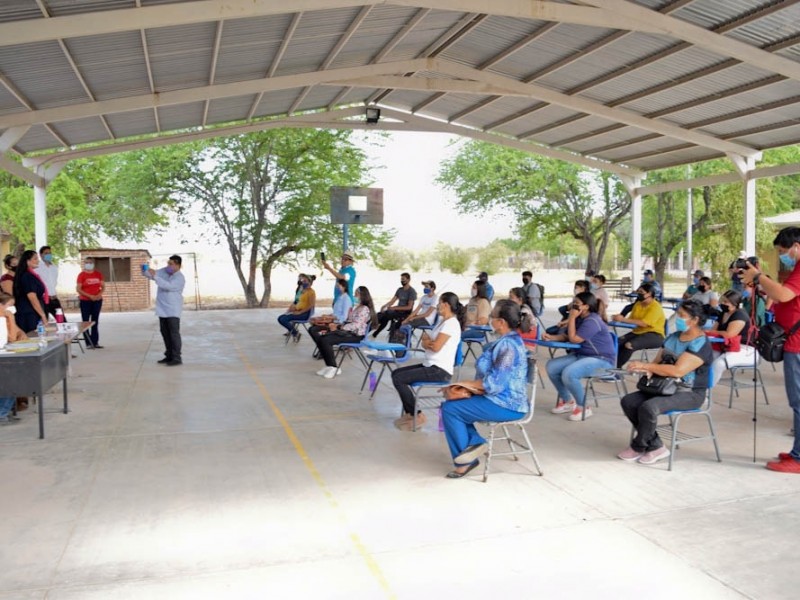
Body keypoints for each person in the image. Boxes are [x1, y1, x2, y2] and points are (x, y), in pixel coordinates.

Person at [440, 300, 529, 478]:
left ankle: (466, 459)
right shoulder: (507, 341)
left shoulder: (508, 346)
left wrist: (465, 384)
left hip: (506, 404)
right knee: (455, 404)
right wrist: (467, 387)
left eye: (492, 316)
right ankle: (474, 444)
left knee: (450, 409)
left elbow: (494, 384)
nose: (489, 319)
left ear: (501, 322)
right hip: (498, 399)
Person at [617, 300, 713, 465]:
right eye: (678, 315)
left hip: (689, 393)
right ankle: (655, 446)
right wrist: (645, 369)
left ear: (695, 320)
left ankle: (639, 446)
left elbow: (678, 371)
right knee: (629, 401)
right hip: (664, 386)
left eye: (682, 316)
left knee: (649, 407)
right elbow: (657, 362)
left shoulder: (700, 343)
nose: (678, 319)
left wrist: (646, 365)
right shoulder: (673, 337)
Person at [740, 227, 800, 473]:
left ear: (797, 245)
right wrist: (762, 284)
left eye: (784, 251)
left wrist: (759, 277)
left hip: (797, 345)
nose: (784, 256)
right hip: (794, 341)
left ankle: (798, 459)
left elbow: (785, 295)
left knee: (798, 400)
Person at [391, 292, 465, 430]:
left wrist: (428, 343)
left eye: (439, 304)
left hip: (439, 370)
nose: (437, 306)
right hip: (430, 364)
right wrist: (428, 342)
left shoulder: (451, 324)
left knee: (400, 379)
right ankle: (410, 412)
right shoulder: (442, 322)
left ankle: (417, 415)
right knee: (396, 373)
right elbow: (426, 340)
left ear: (446, 305)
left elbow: (435, 346)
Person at [546, 292, 616, 421]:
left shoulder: (592, 320)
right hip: (582, 355)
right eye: (573, 303)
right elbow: (567, 336)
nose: (573, 306)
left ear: (586, 306)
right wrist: (551, 337)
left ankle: (584, 407)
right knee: (552, 366)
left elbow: (574, 339)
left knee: (569, 373)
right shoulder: (580, 318)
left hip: (602, 360)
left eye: (576, 304)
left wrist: (571, 318)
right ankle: (568, 401)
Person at [310, 286, 377, 379]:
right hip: (348, 332)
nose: (354, 296)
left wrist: (338, 327)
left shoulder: (364, 309)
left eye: (356, 294)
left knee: (326, 340)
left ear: (363, 295)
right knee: (322, 338)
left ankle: (334, 367)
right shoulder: (357, 307)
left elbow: (355, 325)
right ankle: (329, 365)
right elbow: (348, 321)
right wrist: (336, 325)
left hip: (356, 336)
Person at [707, 290, 757, 386]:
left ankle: (706, 392)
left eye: (726, 302)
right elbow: (713, 331)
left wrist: (716, 332)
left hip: (745, 349)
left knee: (719, 364)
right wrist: (718, 333)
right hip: (725, 345)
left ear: (735, 304)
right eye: (722, 301)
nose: (722, 303)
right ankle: (697, 387)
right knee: (705, 358)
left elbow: (729, 334)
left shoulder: (740, 315)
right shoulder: (723, 313)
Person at [144, 254, 186, 366]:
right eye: (168, 263)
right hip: (163, 309)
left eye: (171, 264)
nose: (168, 265)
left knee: (173, 334)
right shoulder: (165, 271)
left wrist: (156, 277)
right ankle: (169, 355)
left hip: (173, 310)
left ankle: (177, 357)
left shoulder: (179, 278)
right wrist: (145, 269)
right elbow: (152, 275)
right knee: (165, 333)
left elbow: (168, 286)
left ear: (178, 265)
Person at [612, 282, 666, 368]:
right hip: (638, 332)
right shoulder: (638, 304)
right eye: (638, 292)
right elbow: (632, 319)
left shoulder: (655, 307)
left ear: (649, 293)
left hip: (655, 335)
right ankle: (610, 366)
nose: (639, 294)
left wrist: (623, 319)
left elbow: (644, 323)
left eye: (641, 292)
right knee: (615, 343)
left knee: (629, 345)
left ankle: (616, 370)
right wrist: (618, 317)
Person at [12, 250, 49, 334]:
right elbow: (32, 297)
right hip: (29, 314)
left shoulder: (30, 275)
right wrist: (42, 315)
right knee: (33, 339)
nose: (38, 260)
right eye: (35, 259)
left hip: (31, 312)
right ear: (27, 261)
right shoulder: (26, 276)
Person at [372, 273, 417, 337]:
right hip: (397, 310)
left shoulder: (411, 291)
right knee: (381, 314)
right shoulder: (400, 290)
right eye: (401, 279)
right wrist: (385, 306)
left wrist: (395, 308)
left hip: (405, 312)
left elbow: (409, 307)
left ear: (409, 280)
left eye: (404, 279)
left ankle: (375, 332)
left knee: (387, 315)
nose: (402, 281)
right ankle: (374, 330)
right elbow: (393, 301)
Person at [0, 293, 21, 425]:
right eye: (10, 306)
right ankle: (2, 413)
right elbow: (12, 337)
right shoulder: (2, 319)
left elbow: (16, 334)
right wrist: (11, 318)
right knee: (12, 382)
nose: (12, 309)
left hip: (5, 353)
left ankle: (5, 411)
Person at [76, 257, 105, 348]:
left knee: (95, 321)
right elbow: (78, 289)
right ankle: (88, 343)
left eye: (90, 262)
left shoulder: (98, 274)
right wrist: (90, 296)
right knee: (86, 322)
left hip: (97, 300)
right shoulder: (81, 275)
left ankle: (95, 342)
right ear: (84, 264)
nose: (89, 264)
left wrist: (98, 295)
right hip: (85, 301)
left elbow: (103, 287)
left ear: (93, 263)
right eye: (87, 262)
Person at [277, 273, 316, 342]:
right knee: (280, 318)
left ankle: (295, 333)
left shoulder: (311, 292)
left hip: (304, 314)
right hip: (298, 311)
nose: (303, 282)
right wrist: (291, 309)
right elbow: (297, 301)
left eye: (305, 281)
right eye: (303, 281)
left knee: (283, 319)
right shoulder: (303, 291)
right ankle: (295, 333)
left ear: (310, 283)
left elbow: (311, 305)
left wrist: (300, 312)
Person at [35, 245, 64, 321]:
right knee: (44, 322)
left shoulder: (54, 267)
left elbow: (54, 282)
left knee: (62, 321)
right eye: (46, 253)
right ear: (41, 255)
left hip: (54, 299)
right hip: (43, 299)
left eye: (50, 253)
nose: (48, 255)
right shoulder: (37, 267)